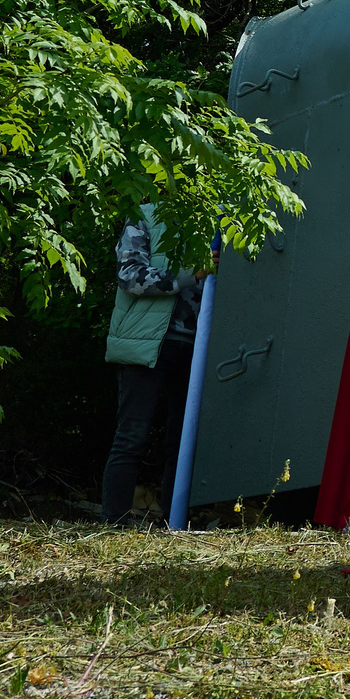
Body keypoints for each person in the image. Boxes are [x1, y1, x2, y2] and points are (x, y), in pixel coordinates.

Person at [102, 207, 202, 524]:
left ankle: (174, 522)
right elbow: (129, 276)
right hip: (145, 344)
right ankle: (114, 522)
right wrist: (190, 274)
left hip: (197, 348)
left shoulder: (217, 220)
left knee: (183, 441)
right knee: (132, 436)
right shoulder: (144, 215)